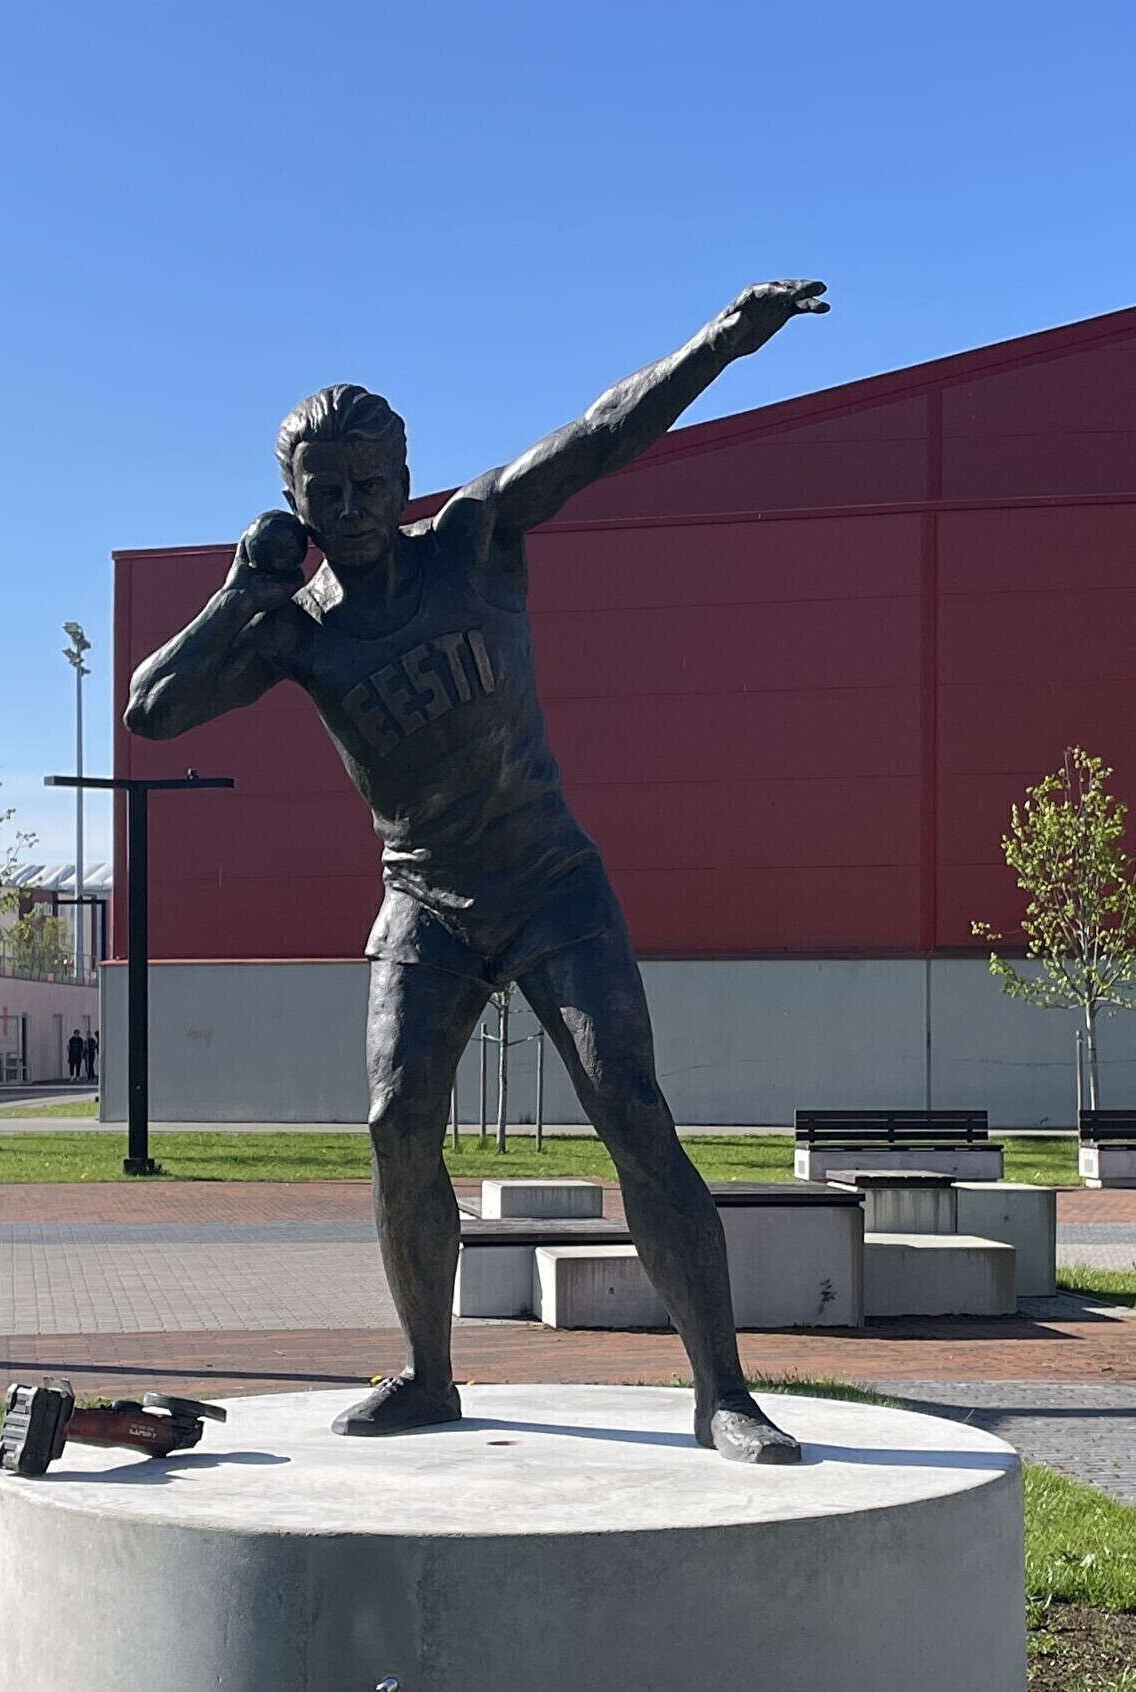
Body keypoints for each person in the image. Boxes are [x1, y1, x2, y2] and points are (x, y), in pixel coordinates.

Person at [126, 281, 829, 1464]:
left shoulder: (475, 538)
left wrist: (717, 343)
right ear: (293, 501)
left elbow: (601, 433)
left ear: (403, 480)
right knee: (395, 1121)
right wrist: (241, 588)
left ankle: (722, 1392)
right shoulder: (295, 627)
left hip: (550, 881)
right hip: (425, 899)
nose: (349, 507)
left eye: (367, 484)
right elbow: (151, 709)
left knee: (630, 1107)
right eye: (323, 491)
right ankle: (428, 1373)